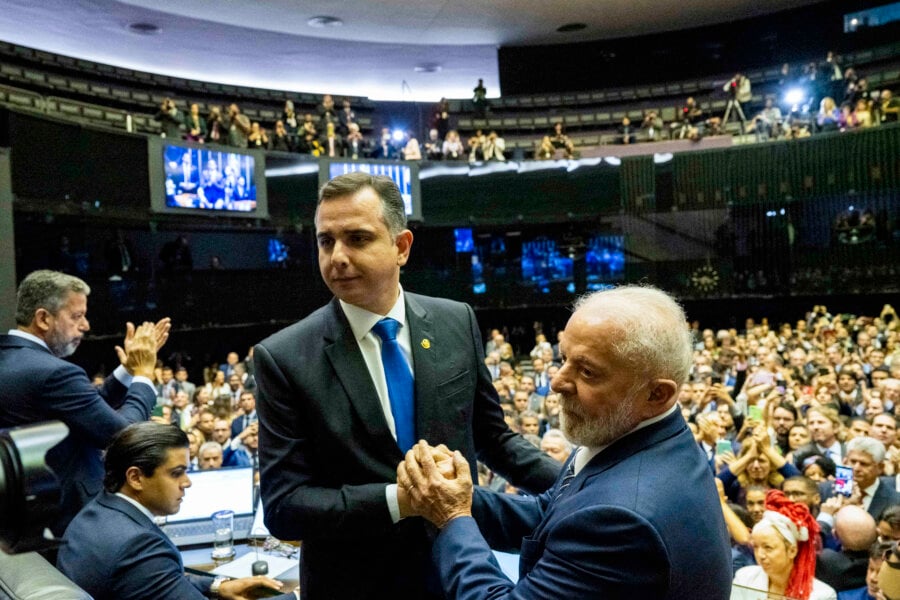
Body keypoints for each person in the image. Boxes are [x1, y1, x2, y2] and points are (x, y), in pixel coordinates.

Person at [253, 172, 560, 599]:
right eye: (326, 241)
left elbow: (494, 439)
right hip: (353, 586)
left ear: (402, 247)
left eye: (357, 238)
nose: (337, 256)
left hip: (455, 573)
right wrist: (401, 500)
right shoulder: (283, 357)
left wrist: (576, 484)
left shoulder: (456, 320)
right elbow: (286, 508)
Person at [397, 285, 732, 599]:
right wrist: (457, 494)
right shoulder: (635, 434)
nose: (557, 382)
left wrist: (453, 518)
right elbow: (552, 513)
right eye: (563, 359)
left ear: (657, 393)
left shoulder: (620, 520)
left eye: (587, 371)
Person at [0, 270, 170, 534]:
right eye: (77, 316)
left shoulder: (13, 361)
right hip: (69, 523)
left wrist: (126, 371)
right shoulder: (53, 372)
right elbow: (123, 436)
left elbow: (86, 408)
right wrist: (144, 375)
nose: (86, 325)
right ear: (43, 318)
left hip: (24, 520)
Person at [57, 422, 295, 600]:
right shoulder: (138, 545)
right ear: (136, 477)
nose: (187, 482)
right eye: (176, 473)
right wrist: (295, 596)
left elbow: (159, 580)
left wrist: (218, 586)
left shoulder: (93, 514)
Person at [733, 490, 836, 599]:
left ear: (792, 551)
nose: (760, 555)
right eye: (756, 547)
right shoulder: (745, 578)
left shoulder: (821, 595)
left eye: (768, 548)